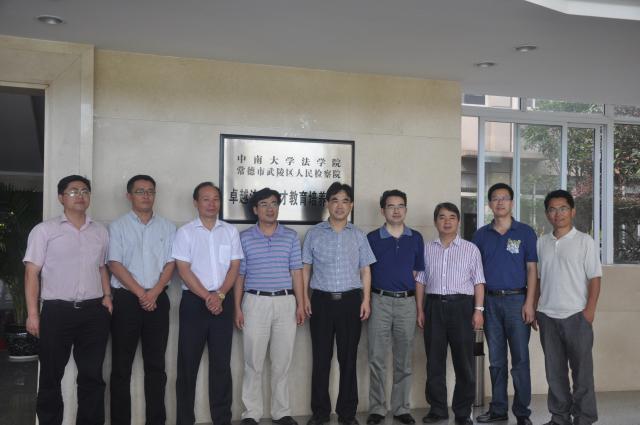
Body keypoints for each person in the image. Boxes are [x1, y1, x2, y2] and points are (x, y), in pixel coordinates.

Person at [23, 175, 112, 425]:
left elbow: (102, 267)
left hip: (94, 312)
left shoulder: (100, 231)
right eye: (73, 191)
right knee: (51, 376)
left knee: (92, 376)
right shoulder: (45, 231)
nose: (80, 195)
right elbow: (31, 273)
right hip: (56, 311)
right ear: (61, 197)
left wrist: (107, 296)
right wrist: (33, 314)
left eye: (84, 191)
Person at [302, 182, 376, 425]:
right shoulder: (314, 234)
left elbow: (365, 270)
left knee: (348, 359)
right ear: (327, 204)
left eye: (345, 201)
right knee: (321, 359)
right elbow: (305, 268)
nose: (340, 206)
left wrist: (366, 300)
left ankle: (347, 413)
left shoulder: (358, 235)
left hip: (350, 302)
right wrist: (304, 298)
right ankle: (320, 413)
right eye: (335, 200)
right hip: (321, 302)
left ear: (351, 205)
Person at [172, 182, 244, 425]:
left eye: (216, 199)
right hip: (194, 303)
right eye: (206, 199)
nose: (212, 204)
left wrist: (220, 295)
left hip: (222, 301)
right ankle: (184, 420)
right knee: (187, 365)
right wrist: (207, 297)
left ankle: (222, 419)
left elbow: (235, 266)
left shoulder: (230, 231)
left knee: (221, 365)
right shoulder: (185, 232)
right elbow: (183, 270)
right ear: (196, 202)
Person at [108, 174, 176, 425]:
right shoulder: (117, 226)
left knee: (156, 367)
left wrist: (154, 292)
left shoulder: (168, 227)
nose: (146, 195)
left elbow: (171, 263)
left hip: (158, 300)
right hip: (126, 301)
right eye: (140, 191)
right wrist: (141, 293)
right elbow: (114, 264)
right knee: (121, 367)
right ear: (129, 196)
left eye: (150, 191)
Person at [234, 188, 305, 425]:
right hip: (255, 302)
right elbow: (240, 276)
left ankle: (281, 412)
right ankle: (251, 413)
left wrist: (301, 304)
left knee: (282, 362)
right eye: (264, 204)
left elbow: (296, 272)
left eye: (274, 203)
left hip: (285, 302)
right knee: (252, 362)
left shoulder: (290, 236)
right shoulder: (244, 237)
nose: (270, 208)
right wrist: (237, 307)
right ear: (255, 209)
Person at [472, 183, 536, 425]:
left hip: (517, 301)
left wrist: (530, 303)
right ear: (489, 204)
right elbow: (475, 275)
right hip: (490, 303)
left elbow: (532, 270)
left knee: (520, 360)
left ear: (512, 202)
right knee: (496, 360)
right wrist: (478, 308)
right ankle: (498, 409)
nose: (500, 202)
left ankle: (522, 412)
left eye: (505, 198)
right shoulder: (480, 235)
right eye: (495, 198)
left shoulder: (525, 232)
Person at [536, 190, 601, 425]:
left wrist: (589, 312)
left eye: (563, 208)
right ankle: (559, 417)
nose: (558, 214)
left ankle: (584, 418)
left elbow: (595, 278)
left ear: (572, 211)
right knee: (554, 373)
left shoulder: (585, 241)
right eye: (552, 209)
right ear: (547, 214)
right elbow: (538, 279)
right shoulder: (541, 242)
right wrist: (535, 308)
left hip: (577, 316)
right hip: (547, 315)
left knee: (582, 372)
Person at [416, 202, 485, 425]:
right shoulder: (426, 249)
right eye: (442, 217)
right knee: (434, 362)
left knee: (464, 363)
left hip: (462, 307)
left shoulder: (470, 249)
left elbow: (479, 282)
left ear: (458, 221)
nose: (447, 221)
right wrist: (420, 309)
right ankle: (437, 409)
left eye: (452, 217)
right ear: (435, 221)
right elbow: (420, 281)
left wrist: (478, 310)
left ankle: (463, 412)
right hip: (433, 307)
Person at [365, 190, 425, 425]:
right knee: (376, 357)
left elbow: (418, 275)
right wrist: (367, 301)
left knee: (404, 359)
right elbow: (366, 272)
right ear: (383, 210)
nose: (396, 210)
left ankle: (401, 408)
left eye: (400, 206)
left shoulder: (416, 238)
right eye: (391, 206)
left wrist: (419, 308)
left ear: (406, 210)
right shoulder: (372, 238)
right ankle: (377, 408)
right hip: (379, 301)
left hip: (407, 303)